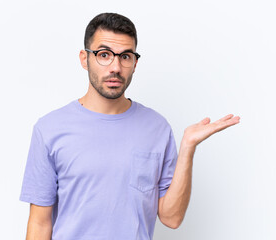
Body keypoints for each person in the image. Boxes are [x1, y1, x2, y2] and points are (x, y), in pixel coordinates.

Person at [19, 12, 240, 240]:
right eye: (104, 55)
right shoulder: (50, 129)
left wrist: (188, 147)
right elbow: (39, 224)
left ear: (135, 63)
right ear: (85, 59)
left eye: (125, 56)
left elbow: (172, 218)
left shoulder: (157, 128)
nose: (115, 67)